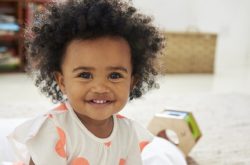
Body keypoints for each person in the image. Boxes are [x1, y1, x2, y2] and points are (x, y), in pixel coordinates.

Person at [8, 0, 187, 164]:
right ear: (62, 81)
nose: (100, 87)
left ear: (133, 82)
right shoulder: (53, 131)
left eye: (115, 75)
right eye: (85, 75)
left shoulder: (128, 132)